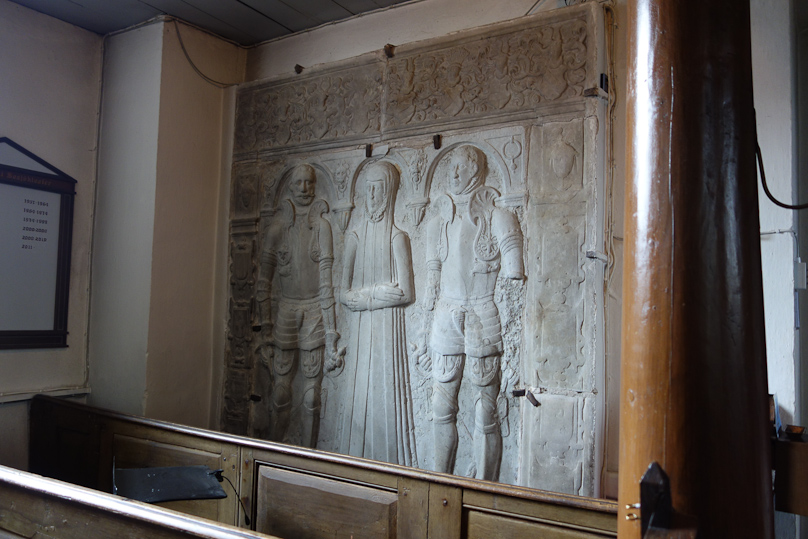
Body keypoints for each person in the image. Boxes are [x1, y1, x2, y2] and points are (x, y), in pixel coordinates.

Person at [418, 145, 525, 481]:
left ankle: (487, 489)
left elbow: (513, 284)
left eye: (462, 167)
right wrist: (423, 334)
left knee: (486, 410)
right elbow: (431, 286)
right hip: (446, 314)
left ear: (478, 171)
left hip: (484, 312)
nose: (454, 173)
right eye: (452, 167)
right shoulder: (438, 222)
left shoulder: (499, 217)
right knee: (440, 407)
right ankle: (438, 483)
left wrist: (514, 350)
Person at [255, 164, 343, 448]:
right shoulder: (278, 228)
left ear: (315, 186)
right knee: (280, 392)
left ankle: (308, 453)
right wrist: (266, 328)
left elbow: (327, 282)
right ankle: (274, 450)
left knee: (311, 396)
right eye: (299, 183)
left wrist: (331, 333)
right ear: (291, 187)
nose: (304, 189)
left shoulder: (323, 226)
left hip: (315, 309)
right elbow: (263, 282)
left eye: (309, 183)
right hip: (286, 310)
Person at [340, 161, 417, 466]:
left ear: (388, 193)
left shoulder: (398, 237)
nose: (372, 195)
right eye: (368, 189)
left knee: (386, 392)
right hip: (362, 326)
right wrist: (376, 295)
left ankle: (391, 460)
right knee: (361, 390)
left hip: (387, 326)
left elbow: (408, 292)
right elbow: (342, 291)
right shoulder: (355, 237)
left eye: (378, 189)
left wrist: (369, 298)